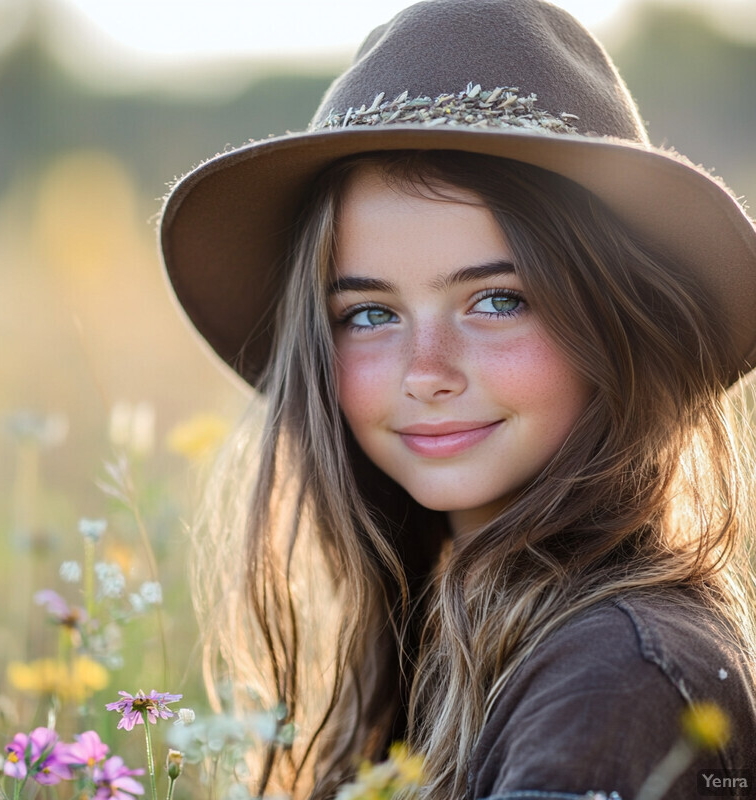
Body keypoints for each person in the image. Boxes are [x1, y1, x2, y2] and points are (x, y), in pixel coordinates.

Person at [159, 0, 756, 797]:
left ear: (619, 322)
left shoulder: (616, 681)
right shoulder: (440, 646)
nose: (426, 371)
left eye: (497, 300)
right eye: (368, 314)